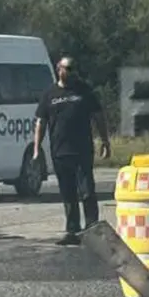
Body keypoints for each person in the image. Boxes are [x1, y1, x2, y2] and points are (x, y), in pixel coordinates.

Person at [33, 57, 111, 246]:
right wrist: (36, 149)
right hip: (60, 151)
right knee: (68, 192)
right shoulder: (49, 94)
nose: (72, 72)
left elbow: (98, 116)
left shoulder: (84, 91)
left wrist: (105, 140)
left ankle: (92, 229)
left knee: (87, 191)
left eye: (74, 69)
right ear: (59, 69)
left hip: (82, 149)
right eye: (68, 68)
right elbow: (40, 122)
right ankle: (72, 231)